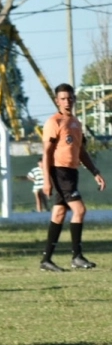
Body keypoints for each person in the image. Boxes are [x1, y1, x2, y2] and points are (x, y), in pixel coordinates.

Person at [39, 83, 105, 272]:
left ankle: (46, 260)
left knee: (59, 213)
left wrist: (95, 172)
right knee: (80, 210)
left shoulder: (76, 122)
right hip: (59, 171)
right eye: (63, 99)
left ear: (74, 99)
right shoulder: (54, 122)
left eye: (70, 98)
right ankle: (77, 256)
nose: (67, 102)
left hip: (71, 172)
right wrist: (46, 180)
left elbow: (81, 151)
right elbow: (46, 153)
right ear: (57, 101)